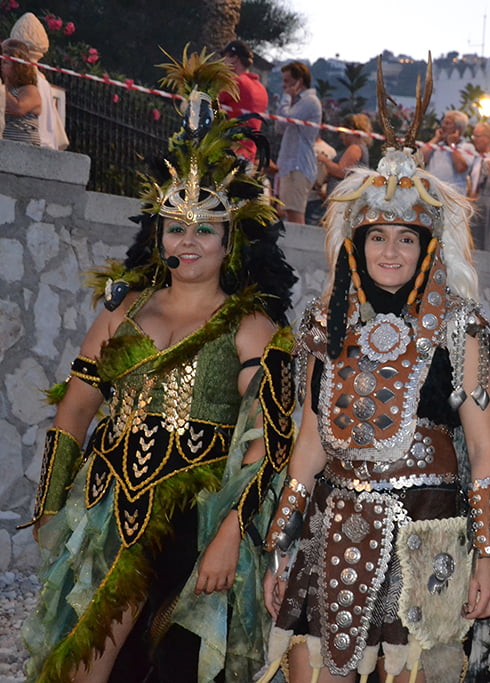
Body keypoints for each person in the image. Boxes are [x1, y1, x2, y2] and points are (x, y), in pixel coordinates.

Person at [21, 51, 299, 682]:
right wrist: (50, 503)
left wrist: (232, 531)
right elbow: (76, 410)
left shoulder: (254, 328)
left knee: (175, 670)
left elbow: (270, 445)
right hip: (105, 508)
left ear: (232, 241)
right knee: (81, 662)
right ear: (158, 236)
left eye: (205, 228)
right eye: (175, 228)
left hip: (195, 527)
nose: (189, 241)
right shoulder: (120, 314)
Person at [258, 57, 490, 683]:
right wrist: (282, 541)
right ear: (355, 244)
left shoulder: (461, 328)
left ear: (427, 249)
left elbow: (483, 454)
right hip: (331, 528)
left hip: (427, 536)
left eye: (405, 238)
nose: (389, 251)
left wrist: (488, 558)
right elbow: (310, 441)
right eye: (376, 237)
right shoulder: (326, 323)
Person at [6, 12, 69, 150]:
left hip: (33, 151)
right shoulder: (38, 83)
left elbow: (17, 108)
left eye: (5, 61)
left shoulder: (35, 85)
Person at [276, 60, 322, 223]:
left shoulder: (309, 101)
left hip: (298, 165)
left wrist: (287, 97)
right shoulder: (297, 103)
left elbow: (286, 119)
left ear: (299, 81)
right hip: (289, 165)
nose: (284, 86)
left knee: (295, 214)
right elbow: (279, 126)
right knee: (289, 212)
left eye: (287, 81)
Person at [218, 40, 269, 164]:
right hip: (249, 155)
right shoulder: (262, 89)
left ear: (234, 59)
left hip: (229, 152)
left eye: (225, 58)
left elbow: (209, 100)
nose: (223, 63)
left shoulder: (236, 82)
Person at [1, 39, 42, 145]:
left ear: (17, 67)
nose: (1, 66)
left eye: (5, 63)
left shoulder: (30, 90)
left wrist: (3, 84)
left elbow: (17, 109)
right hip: (6, 144)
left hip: (25, 146)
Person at [422, 109, 471, 191]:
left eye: (447, 123)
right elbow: (420, 158)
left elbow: (461, 168)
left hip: (452, 195)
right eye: (443, 122)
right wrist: (436, 138)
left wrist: (452, 144)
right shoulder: (438, 145)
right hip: (432, 192)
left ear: (458, 129)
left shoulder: (467, 147)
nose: (443, 126)